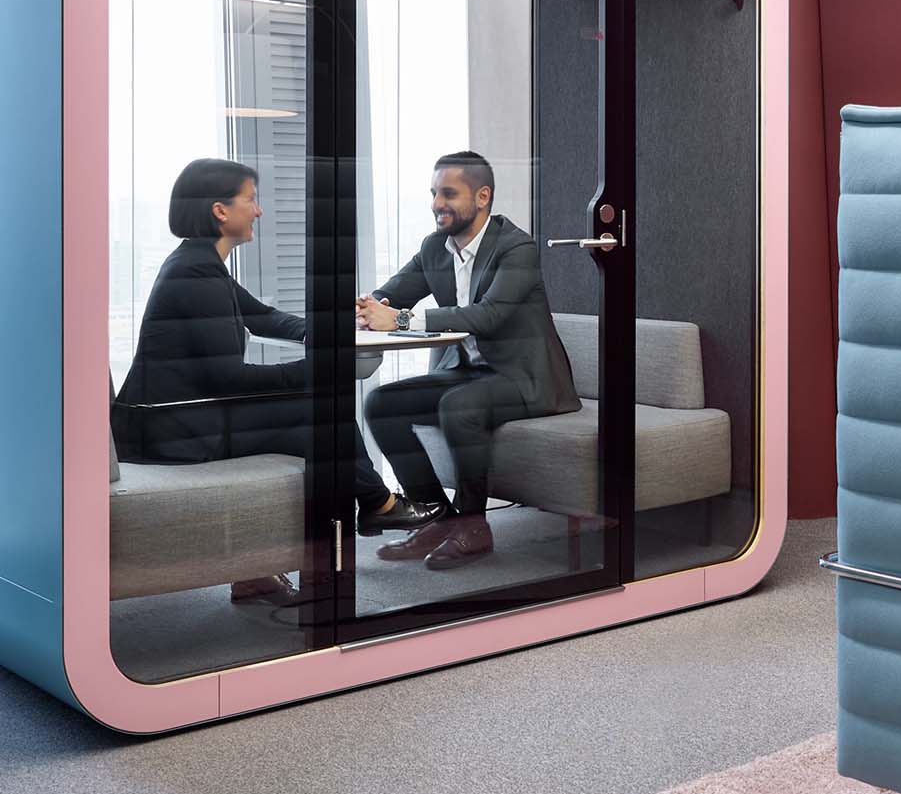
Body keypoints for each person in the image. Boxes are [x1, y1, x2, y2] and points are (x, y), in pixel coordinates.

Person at [112, 159, 448, 607]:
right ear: (219, 211)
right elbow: (228, 378)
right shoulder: (195, 275)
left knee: (314, 428)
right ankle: (375, 505)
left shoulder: (199, 266)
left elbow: (263, 317)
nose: (259, 210)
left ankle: (269, 565)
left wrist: (326, 330)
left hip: (179, 418)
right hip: (176, 430)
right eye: (251, 199)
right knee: (321, 409)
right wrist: (318, 371)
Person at [358, 150, 581, 571]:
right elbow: (392, 294)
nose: (436, 204)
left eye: (447, 193)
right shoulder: (435, 248)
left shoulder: (517, 247)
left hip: (525, 380)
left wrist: (400, 319)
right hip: (470, 373)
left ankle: (475, 525)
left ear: (482, 196)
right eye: (433, 194)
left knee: (458, 407)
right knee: (381, 404)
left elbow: (488, 316)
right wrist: (368, 308)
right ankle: (438, 517)